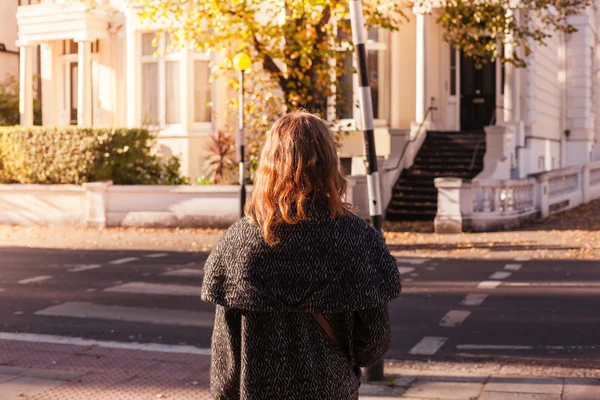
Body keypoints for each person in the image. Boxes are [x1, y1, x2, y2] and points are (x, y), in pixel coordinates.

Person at [201, 111, 401, 399]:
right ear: (329, 163)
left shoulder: (239, 242)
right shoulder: (355, 238)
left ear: (269, 165)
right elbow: (373, 343)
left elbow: (225, 369)